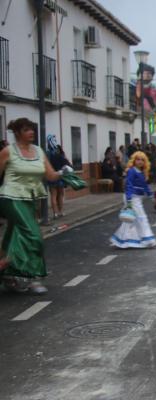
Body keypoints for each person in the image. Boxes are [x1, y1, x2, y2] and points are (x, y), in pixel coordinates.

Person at [0, 118, 70, 293]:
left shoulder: (39, 151)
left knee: (14, 235)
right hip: (11, 197)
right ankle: (34, 278)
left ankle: (8, 275)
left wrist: (63, 172)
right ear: (17, 133)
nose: (31, 132)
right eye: (26, 130)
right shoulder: (8, 151)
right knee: (33, 235)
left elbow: (51, 176)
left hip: (30, 200)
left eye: (32, 129)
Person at [110, 151, 156, 249]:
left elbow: (145, 186)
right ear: (134, 160)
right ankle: (148, 240)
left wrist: (151, 196)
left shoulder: (142, 172)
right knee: (141, 218)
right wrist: (129, 200)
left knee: (130, 220)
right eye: (138, 159)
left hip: (138, 198)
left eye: (142, 160)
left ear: (145, 162)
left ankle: (121, 240)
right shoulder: (132, 171)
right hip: (132, 197)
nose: (140, 162)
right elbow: (129, 185)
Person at [46, 135, 72, 219]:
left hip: (51, 177)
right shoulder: (59, 153)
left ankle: (55, 213)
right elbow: (66, 164)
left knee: (53, 195)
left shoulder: (47, 154)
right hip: (60, 176)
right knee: (60, 195)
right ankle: (61, 211)